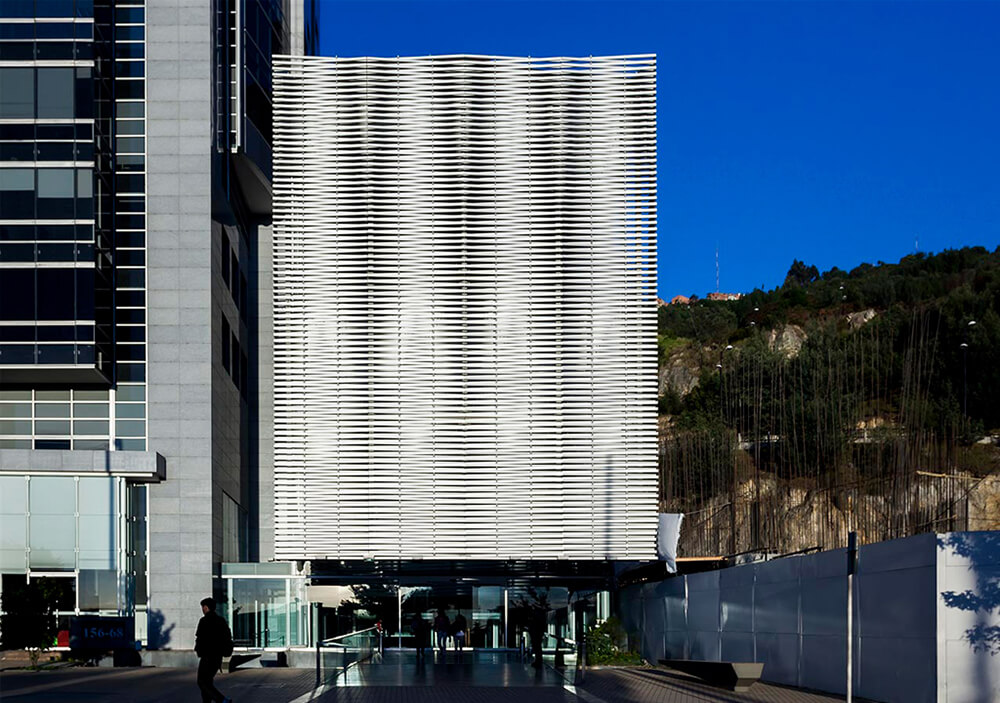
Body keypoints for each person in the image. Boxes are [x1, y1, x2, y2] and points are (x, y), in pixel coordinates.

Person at [195, 597, 234, 703]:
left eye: (203, 607)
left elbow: (200, 638)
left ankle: (222, 700)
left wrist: (199, 650)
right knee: (207, 682)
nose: (202, 610)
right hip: (217, 657)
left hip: (207, 656)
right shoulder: (221, 620)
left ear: (206, 608)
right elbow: (227, 637)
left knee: (202, 682)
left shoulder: (204, 621)